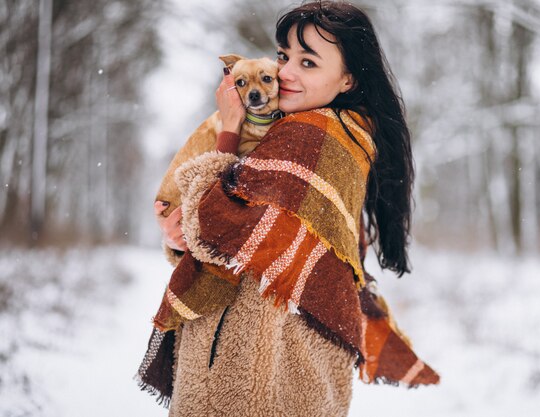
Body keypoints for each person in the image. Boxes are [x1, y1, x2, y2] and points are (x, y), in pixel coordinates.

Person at [145, 1, 437, 416]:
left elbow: (211, 230)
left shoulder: (309, 138)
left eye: (309, 62)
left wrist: (228, 129)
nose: (285, 72)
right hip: (293, 372)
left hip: (249, 373)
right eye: (283, 56)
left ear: (348, 77)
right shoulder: (340, 132)